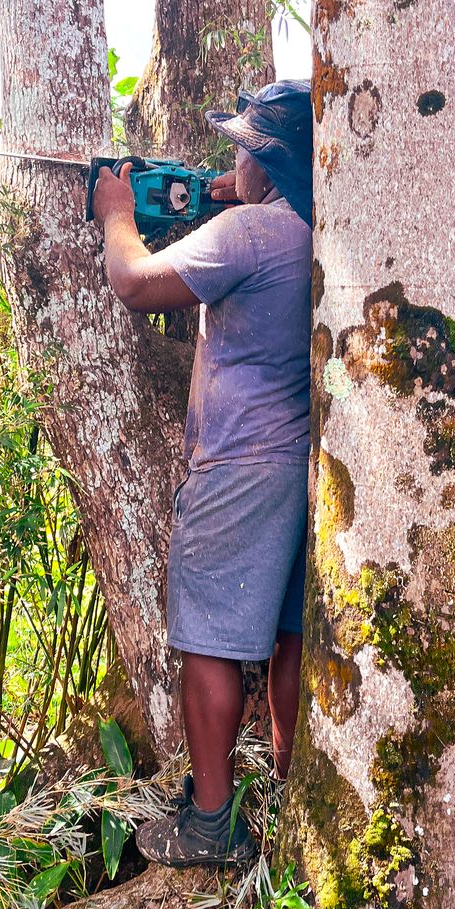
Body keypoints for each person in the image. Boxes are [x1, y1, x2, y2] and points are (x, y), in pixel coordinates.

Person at [91, 80, 314, 867]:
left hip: (237, 465)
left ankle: (211, 827)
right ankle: (297, 801)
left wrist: (119, 210)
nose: (228, 167)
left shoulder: (251, 234)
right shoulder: (316, 231)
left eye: (242, 152)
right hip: (301, 466)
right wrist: (243, 194)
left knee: (210, 646)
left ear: (266, 164)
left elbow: (134, 283)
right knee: (291, 638)